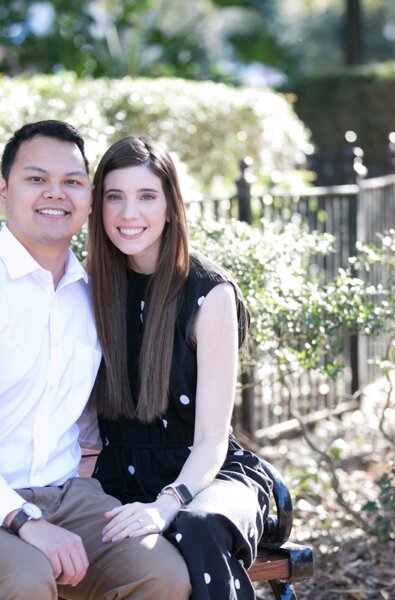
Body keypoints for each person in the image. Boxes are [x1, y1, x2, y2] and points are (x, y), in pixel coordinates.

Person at [0, 121, 191, 600]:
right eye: (36, 179)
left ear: (90, 196)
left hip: (68, 498)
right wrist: (23, 520)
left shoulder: (93, 294)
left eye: (72, 182)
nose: (54, 194)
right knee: (25, 582)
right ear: (3, 189)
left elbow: (85, 417)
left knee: (162, 575)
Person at [86, 135, 275, 600]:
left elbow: (212, 439)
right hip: (118, 477)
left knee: (195, 526)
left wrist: (165, 505)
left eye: (147, 196)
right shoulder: (88, 287)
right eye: (115, 197)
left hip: (204, 478)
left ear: (171, 207)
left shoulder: (210, 294)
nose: (130, 213)